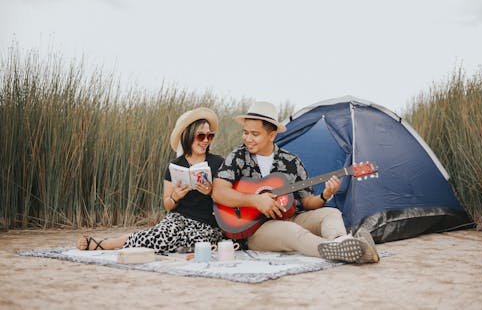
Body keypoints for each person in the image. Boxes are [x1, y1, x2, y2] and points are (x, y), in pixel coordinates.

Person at [212, 101, 379, 264]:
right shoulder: (238, 156)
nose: (248, 138)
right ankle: (339, 249)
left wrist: (325, 195)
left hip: (291, 218)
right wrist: (255, 200)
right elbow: (219, 193)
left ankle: (343, 243)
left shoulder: (291, 161)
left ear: (272, 135)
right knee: (293, 232)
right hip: (256, 229)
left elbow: (307, 202)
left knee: (331, 213)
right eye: (245, 132)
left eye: (254, 134)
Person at [76, 107, 226, 254]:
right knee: (163, 235)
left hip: (206, 224)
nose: (206, 140)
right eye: (201, 136)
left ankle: (125, 241)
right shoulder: (175, 166)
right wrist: (175, 196)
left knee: (192, 241)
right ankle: (108, 243)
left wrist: (211, 191)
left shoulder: (218, 163)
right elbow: (167, 203)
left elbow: (227, 198)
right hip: (178, 219)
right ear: (188, 135)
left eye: (209, 136)